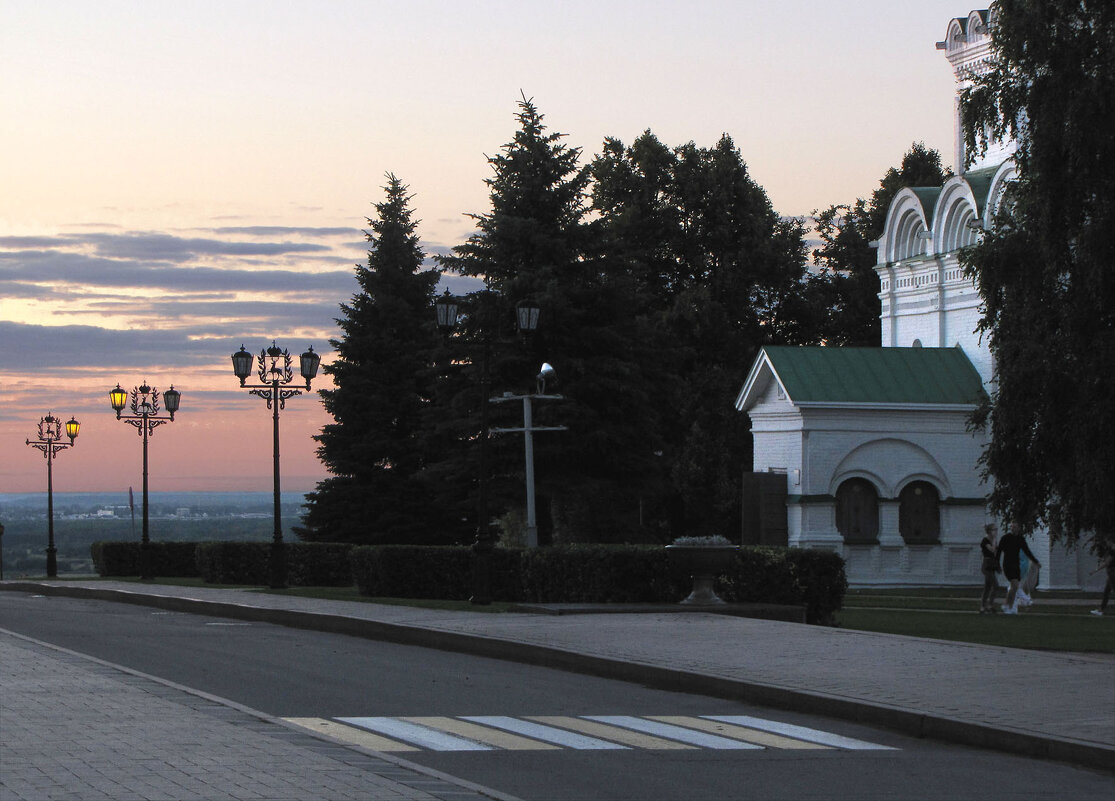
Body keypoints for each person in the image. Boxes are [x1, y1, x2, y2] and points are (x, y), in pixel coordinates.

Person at [996, 521, 1041, 615]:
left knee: (1014, 587)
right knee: (1014, 585)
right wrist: (997, 565)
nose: (1013, 528)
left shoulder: (1020, 539)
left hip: (1016, 565)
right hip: (1008, 564)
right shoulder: (1005, 538)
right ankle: (1008, 606)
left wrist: (1035, 561)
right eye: (1012, 527)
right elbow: (999, 551)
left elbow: (1027, 551)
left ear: (1018, 528)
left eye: (1015, 527)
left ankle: (1008, 606)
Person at [979, 523, 1001, 613]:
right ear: (989, 531)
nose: (996, 531)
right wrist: (995, 540)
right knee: (995, 585)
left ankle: (984, 606)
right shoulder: (985, 540)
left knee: (988, 587)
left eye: (996, 529)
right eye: (994, 530)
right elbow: (991, 549)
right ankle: (988, 605)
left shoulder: (994, 541)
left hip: (992, 565)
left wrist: (998, 566)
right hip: (987, 565)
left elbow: (996, 554)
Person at [1091, 551, 1113, 617]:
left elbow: (1106, 563)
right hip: (1111, 576)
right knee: (1106, 592)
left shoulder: (1112, 553)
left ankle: (1101, 610)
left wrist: (1095, 570)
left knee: (1107, 592)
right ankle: (1101, 610)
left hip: (1112, 576)